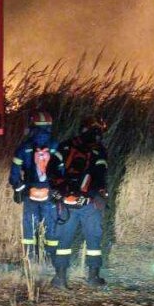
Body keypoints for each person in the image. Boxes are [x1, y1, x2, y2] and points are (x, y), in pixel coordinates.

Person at [48, 116, 109, 289]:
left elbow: (51, 170)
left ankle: (60, 278)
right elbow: (99, 177)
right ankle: (93, 277)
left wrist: (60, 192)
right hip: (88, 204)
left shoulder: (66, 145)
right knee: (93, 239)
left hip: (67, 202)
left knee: (63, 240)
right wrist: (95, 195)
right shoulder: (99, 151)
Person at [8, 111, 60, 259]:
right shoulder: (56, 146)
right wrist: (59, 190)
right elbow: (62, 170)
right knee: (51, 227)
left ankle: (29, 259)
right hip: (49, 193)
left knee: (29, 227)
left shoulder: (24, 147)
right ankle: (51, 260)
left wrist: (18, 188)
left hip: (30, 193)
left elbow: (15, 173)